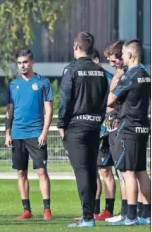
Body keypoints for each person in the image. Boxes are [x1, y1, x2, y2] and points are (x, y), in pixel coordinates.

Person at [58, 31, 108, 228]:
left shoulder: (71, 69)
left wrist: (61, 123)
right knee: (90, 170)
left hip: (76, 126)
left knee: (82, 172)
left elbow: (65, 99)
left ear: (76, 47)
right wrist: (99, 119)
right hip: (94, 126)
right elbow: (106, 100)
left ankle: (87, 217)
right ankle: (89, 215)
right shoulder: (100, 71)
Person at [4, 49, 53, 221]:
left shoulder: (42, 83)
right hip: (17, 134)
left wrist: (44, 132)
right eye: (19, 63)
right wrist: (7, 132)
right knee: (21, 173)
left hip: (36, 134)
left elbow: (49, 110)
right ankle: (26, 209)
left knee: (41, 171)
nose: (22, 65)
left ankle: (47, 209)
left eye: (25, 62)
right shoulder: (12, 85)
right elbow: (9, 111)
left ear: (32, 62)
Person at [107, 39, 151, 226]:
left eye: (123, 54)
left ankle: (131, 216)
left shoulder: (129, 76)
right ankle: (147, 214)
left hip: (129, 128)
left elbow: (110, 100)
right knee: (141, 171)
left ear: (130, 55)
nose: (122, 58)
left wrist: (116, 83)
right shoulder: (146, 74)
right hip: (142, 126)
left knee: (128, 172)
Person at [88, 49, 117, 221]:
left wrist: (103, 117)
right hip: (90, 131)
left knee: (105, 170)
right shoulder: (86, 79)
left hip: (105, 132)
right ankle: (93, 211)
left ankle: (109, 210)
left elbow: (114, 103)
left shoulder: (108, 78)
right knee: (93, 171)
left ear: (96, 60)